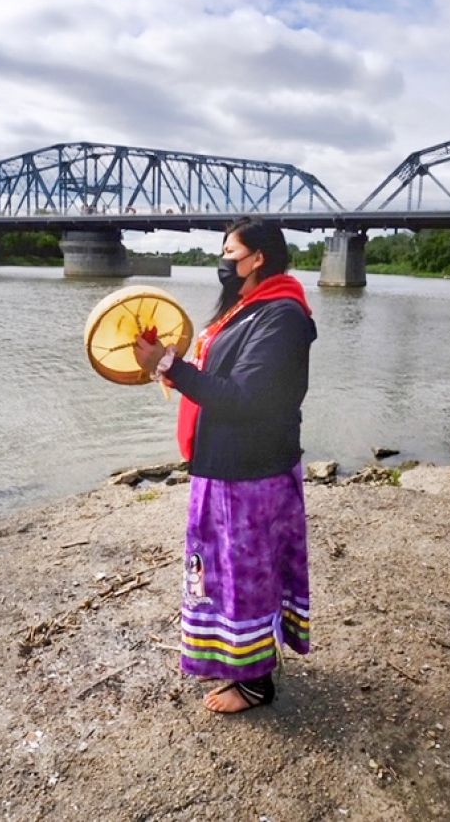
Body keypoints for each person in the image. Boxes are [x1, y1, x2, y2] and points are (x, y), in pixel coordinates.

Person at [134, 217, 316, 714]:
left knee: (245, 576)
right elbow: (219, 375)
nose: (224, 261)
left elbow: (245, 398)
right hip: (226, 465)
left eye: (231, 252)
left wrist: (172, 367)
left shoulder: (283, 317)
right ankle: (236, 659)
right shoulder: (247, 309)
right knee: (219, 572)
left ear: (259, 258)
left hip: (251, 474)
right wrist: (170, 363)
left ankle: (256, 683)